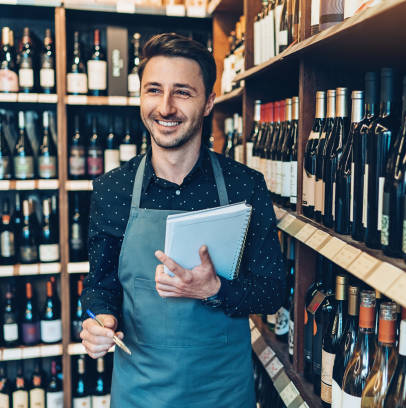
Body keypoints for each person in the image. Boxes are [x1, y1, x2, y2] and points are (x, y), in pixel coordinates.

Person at [80, 33, 285, 407]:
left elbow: (273, 291)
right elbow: (100, 286)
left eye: (183, 93)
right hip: (140, 394)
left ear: (208, 102)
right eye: (154, 90)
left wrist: (216, 290)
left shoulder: (244, 186)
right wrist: (99, 321)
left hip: (223, 394)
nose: (166, 107)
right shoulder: (112, 190)